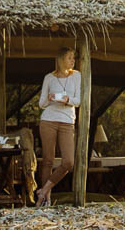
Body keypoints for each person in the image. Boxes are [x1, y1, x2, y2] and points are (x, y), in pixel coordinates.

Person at [35, 47, 81, 206]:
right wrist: (50, 98)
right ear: (61, 60)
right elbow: (41, 104)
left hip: (67, 121)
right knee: (48, 160)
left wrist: (67, 99)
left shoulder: (77, 76)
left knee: (68, 162)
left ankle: (44, 190)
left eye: (73, 58)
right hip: (48, 120)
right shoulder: (49, 77)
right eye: (70, 58)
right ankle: (45, 200)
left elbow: (78, 101)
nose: (73, 60)